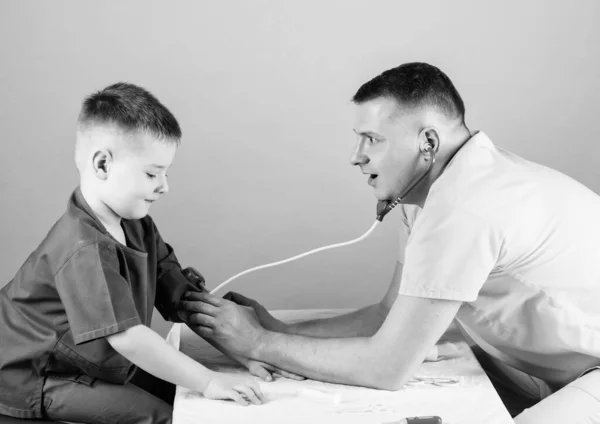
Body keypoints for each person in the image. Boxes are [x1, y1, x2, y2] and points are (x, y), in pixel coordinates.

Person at [181, 62, 600, 423]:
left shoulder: (464, 207)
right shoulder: (437, 190)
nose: (356, 155)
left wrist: (257, 343)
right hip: (557, 363)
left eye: (373, 139)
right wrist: (274, 328)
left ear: (428, 143)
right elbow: (386, 315)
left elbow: (388, 367)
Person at [0, 82, 266, 424]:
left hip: (95, 358)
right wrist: (209, 380)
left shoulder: (139, 227)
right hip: (36, 374)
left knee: (188, 395)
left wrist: (243, 352)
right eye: (153, 173)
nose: (165, 186)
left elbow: (183, 298)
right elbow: (127, 337)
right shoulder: (83, 246)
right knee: (158, 415)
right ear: (102, 165)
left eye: (166, 172)